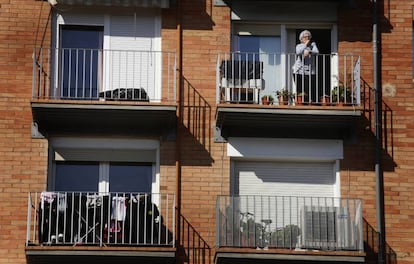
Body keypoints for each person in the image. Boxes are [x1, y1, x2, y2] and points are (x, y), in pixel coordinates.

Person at [292, 30, 319, 103]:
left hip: (310, 71)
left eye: (308, 37)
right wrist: (305, 45)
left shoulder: (312, 45)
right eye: (305, 37)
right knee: (300, 88)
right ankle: (300, 102)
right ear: (301, 38)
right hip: (298, 71)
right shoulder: (299, 46)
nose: (307, 38)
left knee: (309, 88)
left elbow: (317, 52)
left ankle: (308, 102)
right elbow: (298, 52)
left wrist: (309, 51)